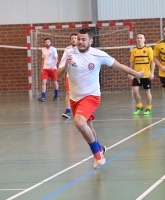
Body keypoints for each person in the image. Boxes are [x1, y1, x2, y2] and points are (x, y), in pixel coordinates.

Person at [57, 28, 144, 169]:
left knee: (79, 123)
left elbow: (119, 66)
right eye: (79, 39)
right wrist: (65, 66)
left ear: (90, 41)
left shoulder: (98, 55)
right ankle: (100, 149)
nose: (80, 42)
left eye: (84, 39)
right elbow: (58, 75)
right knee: (87, 128)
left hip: (91, 96)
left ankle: (97, 155)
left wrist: (137, 75)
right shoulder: (69, 53)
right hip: (74, 98)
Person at [129, 33, 155, 115]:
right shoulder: (134, 50)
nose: (139, 39)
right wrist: (130, 72)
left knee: (147, 91)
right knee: (135, 91)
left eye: (141, 38)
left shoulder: (149, 49)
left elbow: (152, 61)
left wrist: (152, 73)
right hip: (137, 75)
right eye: (138, 38)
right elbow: (132, 62)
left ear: (144, 40)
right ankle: (139, 106)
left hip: (146, 74)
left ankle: (149, 108)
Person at [61, 33, 78, 118]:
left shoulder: (81, 49)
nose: (74, 39)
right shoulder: (67, 50)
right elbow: (63, 62)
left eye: (75, 38)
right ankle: (68, 111)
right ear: (70, 40)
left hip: (80, 76)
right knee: (68, 93)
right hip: (70, 75)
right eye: (72, 38)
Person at [38, 38, 59, 102]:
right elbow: (43, 59)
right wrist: (42, 68)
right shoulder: (43, 50)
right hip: (45, 68)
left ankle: (56, 95)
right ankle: (43, 97)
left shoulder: (53, 49)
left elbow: (56, 59)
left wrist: (53, 65)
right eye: (46, 42)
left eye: (48, 42)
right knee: (44, 82)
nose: (47, 43)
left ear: (50, 42)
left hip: (53, 69)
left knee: (55, 81)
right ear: (44, 43)